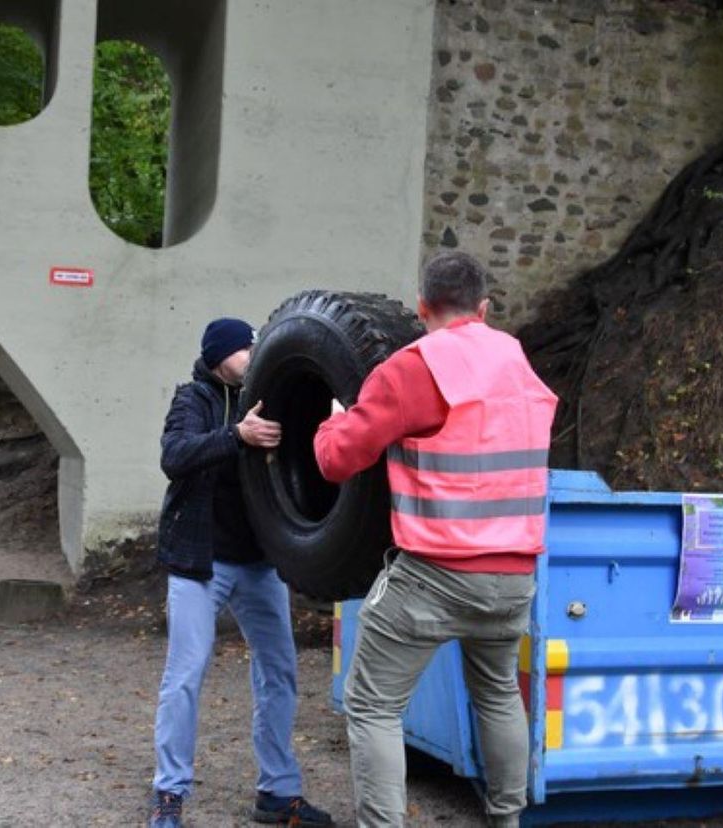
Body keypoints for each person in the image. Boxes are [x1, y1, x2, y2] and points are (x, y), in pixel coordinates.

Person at [313, 252, 558, 828]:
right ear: (484, 307)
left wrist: (330, 421)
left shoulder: (416, 367)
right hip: (516, 575)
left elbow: (338, 461)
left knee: (373, 705)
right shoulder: (517, 361)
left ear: (422, 307)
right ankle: (506, 820)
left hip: (436, 573)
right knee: (498, 695)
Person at [149, 317, 333, 828]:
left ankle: (277, 792)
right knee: (185, 675)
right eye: (244, 346)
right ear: (217, 355)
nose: (254, 351)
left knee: (280, 672)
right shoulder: (194, 399)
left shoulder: (272, 396)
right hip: (200, 560)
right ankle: (169, 794)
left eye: (255, 344)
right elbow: (174, 455)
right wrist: (236, 434)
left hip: (258, 562)